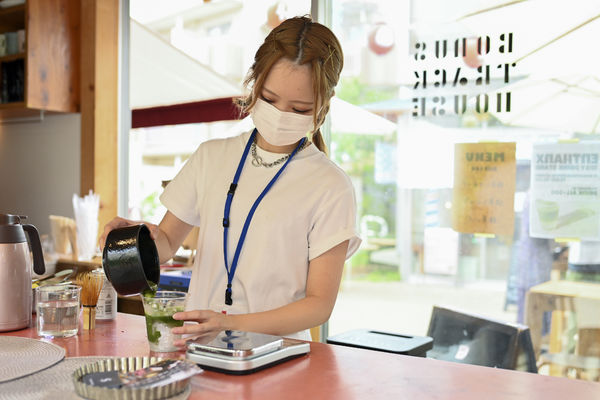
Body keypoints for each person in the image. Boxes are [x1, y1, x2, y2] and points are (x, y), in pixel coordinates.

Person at [100, 16, 361, 342]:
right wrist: (137, 239)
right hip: (199, 349)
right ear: (254, 82)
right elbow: (166, 244)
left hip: (278, 359)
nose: (281, 114)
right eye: (269, 98)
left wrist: (233, 323)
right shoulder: (211, 156)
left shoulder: (330, 186)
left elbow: (318, 306)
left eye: (299, 108)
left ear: (323, 106)